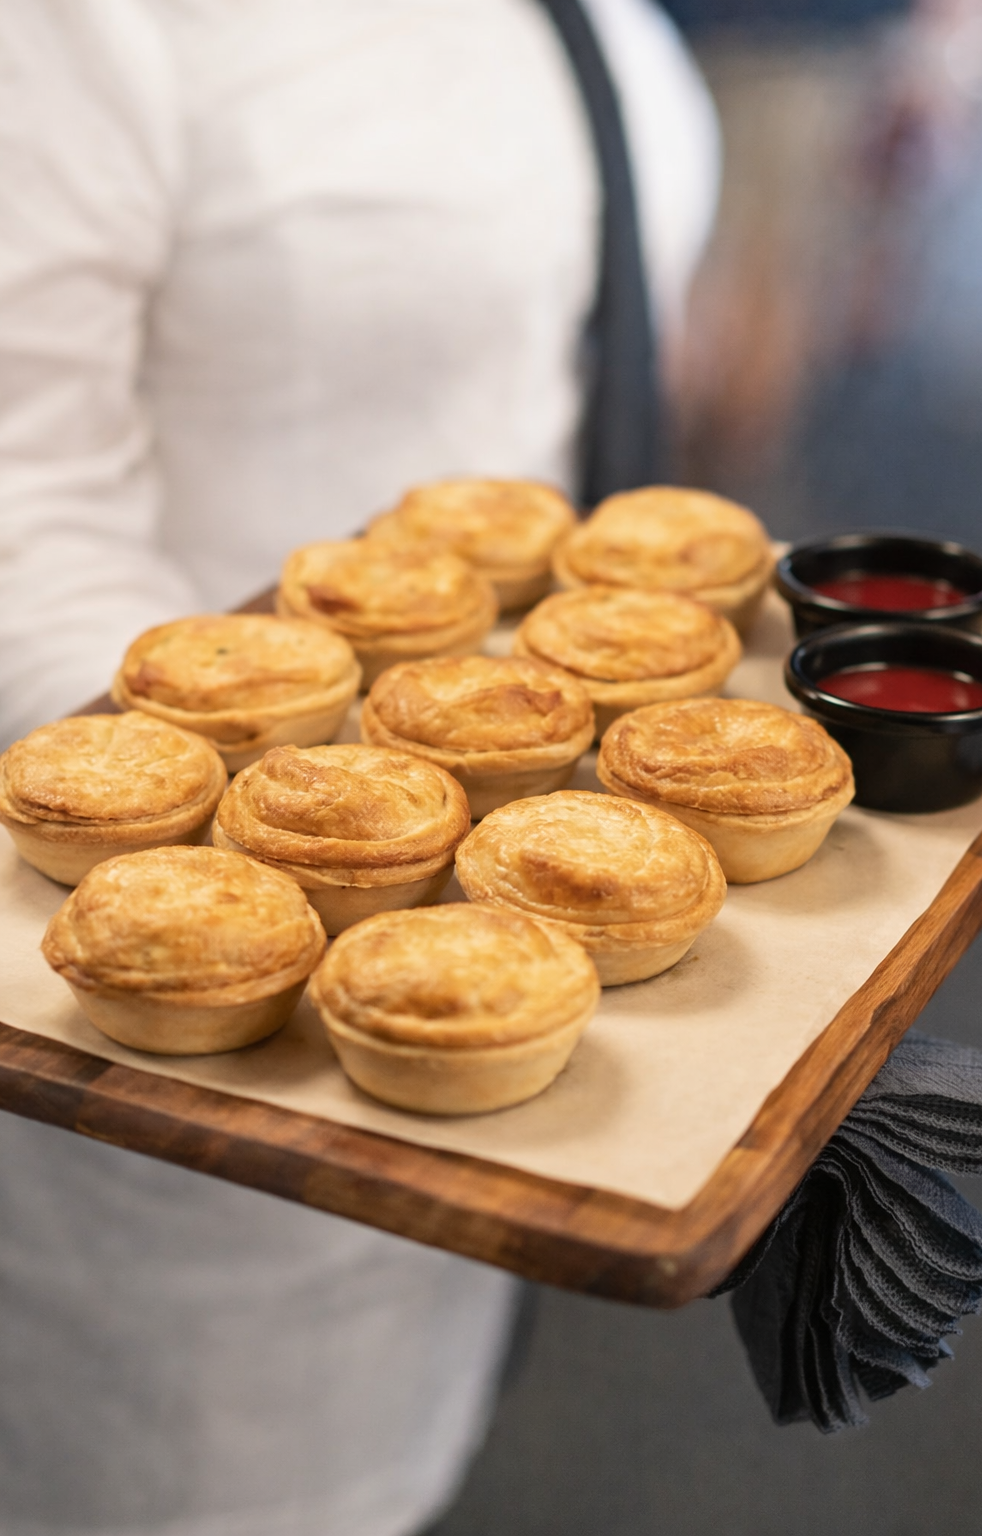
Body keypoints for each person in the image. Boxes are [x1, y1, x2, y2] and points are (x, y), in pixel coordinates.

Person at [0, 3, 719, 1534]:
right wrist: (237, 861)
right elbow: (16, 479)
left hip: (528, 935)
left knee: (427, 1446)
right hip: (212, 1061)